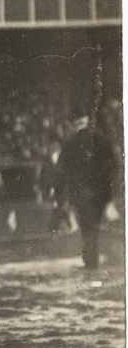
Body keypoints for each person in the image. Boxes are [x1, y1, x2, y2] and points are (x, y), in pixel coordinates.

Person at [55, 110, 117, 270]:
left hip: (81, 193)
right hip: (101, 193)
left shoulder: (70, 143)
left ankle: (91, 261)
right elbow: (114, 166)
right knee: (94, 227)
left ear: (74, 124)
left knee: (87, 228)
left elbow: (60, 171)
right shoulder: (102, 140)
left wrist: (61, 195)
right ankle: (91, 259)